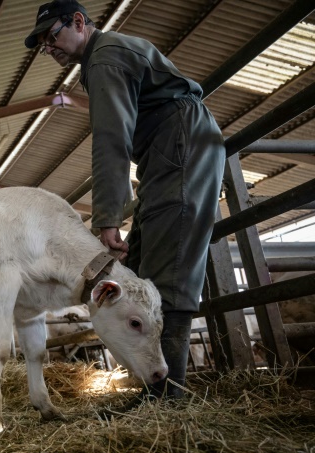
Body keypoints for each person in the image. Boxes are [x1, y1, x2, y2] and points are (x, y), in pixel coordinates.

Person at [24, 0, 225, 407]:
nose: (50, 47)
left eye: (53, 35)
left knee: (168, 265)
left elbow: (111, 141)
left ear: (78, 22)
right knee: (147, 269)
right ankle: (156, 389)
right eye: (44, 43)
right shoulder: (98, 61)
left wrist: (108, 221)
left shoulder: (105, 58)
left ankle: (168, 398)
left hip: (179, 143)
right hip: (163, 152)